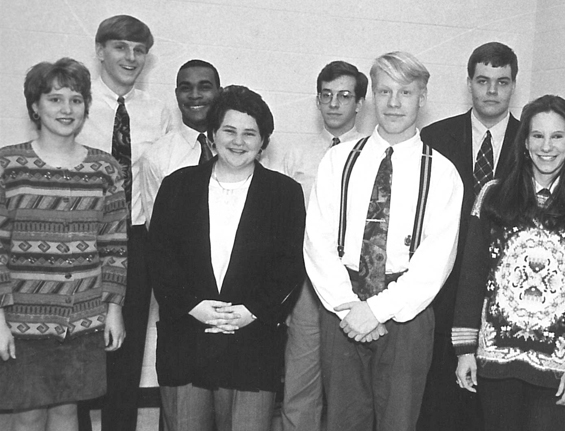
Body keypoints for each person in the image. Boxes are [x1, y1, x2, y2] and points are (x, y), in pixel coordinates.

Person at [304, 51, 463, 431]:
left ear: (422, 98)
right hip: (342, 307)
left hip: (406, 314)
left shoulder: (442, 173)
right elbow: (317, 239)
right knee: (341, 421)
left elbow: (436, 261)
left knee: (398, 422)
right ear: (372, 95)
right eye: (385, 91)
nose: (394, 103)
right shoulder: (338, 160)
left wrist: (376, 310)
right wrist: (348, 308)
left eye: (405, 92)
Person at [148, 84, 306, 431]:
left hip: (251, 340)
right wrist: (194, 306)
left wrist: (250, 311)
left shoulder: (285, 194)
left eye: (250, 133)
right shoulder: (177, 186)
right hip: (188, 335)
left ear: (263, 142)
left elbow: (290, 265)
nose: (238, 141)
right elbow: (159, 257)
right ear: (212, 135)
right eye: (229, 131)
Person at [452, 95, 565, 431]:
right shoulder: (493, 195)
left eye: (557, 136)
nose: (546, 146)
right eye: (537, 135)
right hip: (496, 359)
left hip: (556, 364)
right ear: (524, 142)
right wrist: (465, 349)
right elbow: (472, 276)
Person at [0, 58, 128, 431]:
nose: (66, 109)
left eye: (75, 100)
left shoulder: (106, 169)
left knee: (68, 412)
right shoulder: (8, 165)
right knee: (27, 415)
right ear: (35, 106)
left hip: (83, 318)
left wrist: (114, 309)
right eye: (55, 99)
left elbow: (115, 246)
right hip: (23, 319)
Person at [76, 15, 173, 431]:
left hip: (134, 237)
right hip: (81, 237)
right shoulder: (77, 105)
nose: (131, 57)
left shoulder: (157, 112)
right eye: (121, 47)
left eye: (139, 50)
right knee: (78, 345)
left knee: (126, 347)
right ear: (100, 51)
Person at [417, 42, 520, 431]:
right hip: (443, 289)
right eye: (482, 80)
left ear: (513, 85)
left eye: (502, 82)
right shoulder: (434, 137)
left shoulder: (532, 141)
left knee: (491, 407)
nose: (491, 90)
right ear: (469, 83)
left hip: (505, 295)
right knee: (440, 401)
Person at [277, 60, 368, 431]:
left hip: (355, 283)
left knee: (350, 387)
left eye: (344, 96)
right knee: (300, 381)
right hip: (306, 284)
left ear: (359, 103)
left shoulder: (372, 154)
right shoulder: (296, 154)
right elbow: (282, 223)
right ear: (317, 100)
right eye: (326, 95)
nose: (334, 103)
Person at [141, 59, 222, 225]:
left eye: (204, 87)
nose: (195, 95)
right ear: (176, 94)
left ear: (219, 93)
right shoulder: (156, 157)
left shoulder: (238, 148)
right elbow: (157, 228)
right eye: (186, 88)